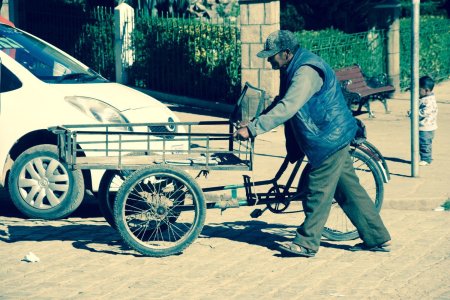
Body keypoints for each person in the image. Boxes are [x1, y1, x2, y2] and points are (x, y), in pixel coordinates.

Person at [233, 30, 391, 257]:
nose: (269, 59)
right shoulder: (292, 66)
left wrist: (252, 129)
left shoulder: (306, 72)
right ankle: (377, 237)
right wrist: (255, 122)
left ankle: (306, 243)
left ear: (286, 53)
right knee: (349, 191)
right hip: (330, 134)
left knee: (317, 189)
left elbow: (289, 106)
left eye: (272, 55)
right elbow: (282, 102)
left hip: (329, 137)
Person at [418, 76, 438, 166]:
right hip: (427, 125)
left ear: (426, 90)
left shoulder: (428, 101)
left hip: (426, 126)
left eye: (419, 90)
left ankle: (426, 158)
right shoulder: (427, 98)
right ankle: (427, 156)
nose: (418, 92)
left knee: (424, 143)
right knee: (425, 142)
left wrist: (414, 113)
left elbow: (424, 112)